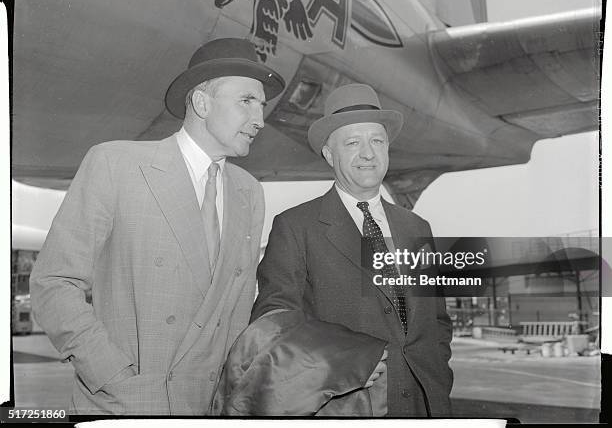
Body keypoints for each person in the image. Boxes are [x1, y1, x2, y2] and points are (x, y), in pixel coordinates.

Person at [29, 38, 285, 415]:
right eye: (246, 100)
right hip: (128, 403)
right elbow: (54, 283)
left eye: (262, 106)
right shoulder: (116, 165)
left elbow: (235, 310)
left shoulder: (248, 191)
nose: (260, 120)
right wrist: (111, 374)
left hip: (211, 407)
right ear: (201, 102)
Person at [250, 83, 453, 417]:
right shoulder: (295, 226)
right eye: (353, 142)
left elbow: (436, 323)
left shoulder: (417, 228)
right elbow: (274, 325)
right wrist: (345, 366)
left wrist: (437, 379)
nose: (368, 153)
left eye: (377, 141)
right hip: (346, 408)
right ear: (330, 155)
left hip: (424, 406)